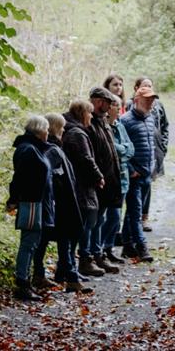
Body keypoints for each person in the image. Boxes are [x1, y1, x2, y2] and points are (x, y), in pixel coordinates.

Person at [42, 113, 91, 293]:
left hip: (60, 203)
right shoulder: (52, 150)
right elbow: (54, 177)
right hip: (60, 204)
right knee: (64, 241)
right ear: (55, 128)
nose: (64, 130)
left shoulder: (54, 148)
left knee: (59, 242)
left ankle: (65, 275)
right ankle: (70, 277)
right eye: (61, 127)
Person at [7, 115, 53, 301]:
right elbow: (19, 178)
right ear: (40, 130)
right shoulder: (28, 150)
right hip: (31, 203)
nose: (48, 133)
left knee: (31, 242)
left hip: (36, 202)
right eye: (47, 130)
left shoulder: (33, 149)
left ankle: (25, 281)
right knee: (28, 242)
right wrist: (14, 199)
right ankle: (22, 283)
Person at [62, 100, 106, 277]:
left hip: (78, 185)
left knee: (79, 227)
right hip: (81, 186)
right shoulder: (77, 134)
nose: (90, 116)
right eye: (89, 113)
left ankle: (70, 267)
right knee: (79, 227)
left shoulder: (73, 131)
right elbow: (86, 159)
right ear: (82, 113)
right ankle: (71, 267)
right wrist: (98, 176)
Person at [87, 87, 122, 274]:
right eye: (108, 103)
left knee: (101, 219)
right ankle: (92, 255)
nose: (110, 108)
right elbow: (90, 154)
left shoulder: (103, 122)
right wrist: (97, 175)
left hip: (107, 179)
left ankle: (98, 254)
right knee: (94, 221)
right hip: (96, 181)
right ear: (99, 102)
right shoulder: (89, 122)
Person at [120, 86, 158, 262]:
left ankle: (127, 246)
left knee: (133, 212)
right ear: (137, 100)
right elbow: (120, 149)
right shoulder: (125, 121)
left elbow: (151, 145)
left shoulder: (151, 118)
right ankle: (142, 247)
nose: (150, 103)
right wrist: (130, 170)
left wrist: (153, 167)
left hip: (147, 173)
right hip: (134, 175)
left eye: (152, 100)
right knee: (136, 213)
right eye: (147, 100)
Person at [126, 77, 169, 231]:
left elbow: (164, 127)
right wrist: (131, 168)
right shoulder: (130, 110)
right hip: (136, 162)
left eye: (151, 86)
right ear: (136, 90)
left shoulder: (157, 107)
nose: (150, 101)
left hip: (153, 154)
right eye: (145, 86)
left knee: (148, 187)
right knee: (134, 203)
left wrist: (163, 147)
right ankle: (138, 240)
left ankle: (144, 219)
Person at [100, 93, 134, 263]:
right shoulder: (104, 127)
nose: (120, 110)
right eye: (117, 106)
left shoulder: (120, 126)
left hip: (123, 178)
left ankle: (108, 247)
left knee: (116, 218)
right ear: (110, 107)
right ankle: (99, 250)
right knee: (109, 216)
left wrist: (120, 151)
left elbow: (130, 149)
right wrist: (122, 150)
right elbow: (111, 151)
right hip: (110, 179)